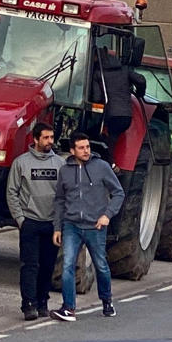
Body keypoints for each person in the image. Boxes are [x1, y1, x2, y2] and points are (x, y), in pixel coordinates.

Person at [50, 133, 123, 322]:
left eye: (88, 147)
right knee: (67, 265)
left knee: (101, 265)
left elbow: (118, 193)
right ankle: (68, 308)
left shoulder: (102, 167)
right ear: (72, 151)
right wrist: (58, 227)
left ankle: (107, 301)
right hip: (71, 225)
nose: (86, 151)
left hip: (95, 226)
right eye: (81, 148)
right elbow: (59, 200)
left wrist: (107, 215)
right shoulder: (65, 171)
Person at [5, 125, 64, 321]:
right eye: (46, 138)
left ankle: (42, 302)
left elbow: (65, 194)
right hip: (30, 222)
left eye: (52, 137)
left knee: (47, 265)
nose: (50, 141)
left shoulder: (60, 164)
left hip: (52, 224)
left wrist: (59, 222)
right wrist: (21, 219)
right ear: (36, 139)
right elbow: (12, 192)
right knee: (29, 266)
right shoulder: (21, 163)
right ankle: (28, 304)